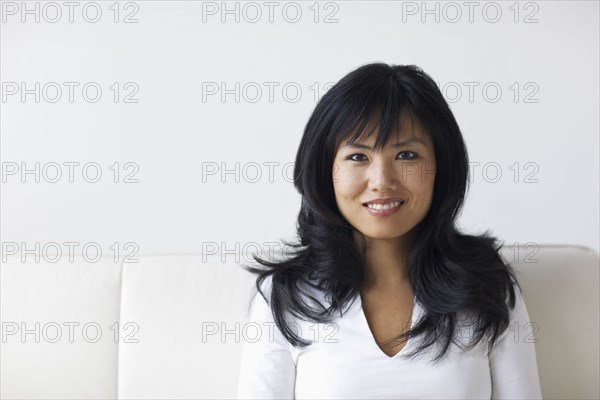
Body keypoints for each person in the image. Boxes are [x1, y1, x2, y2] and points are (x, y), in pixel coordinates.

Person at [236, 62, 543, 399]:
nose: (382, 181)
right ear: (326, 170)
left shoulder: (489, 286)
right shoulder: (284, 296)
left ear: (441, 167)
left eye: (406, 155)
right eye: (357, 157)